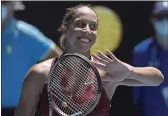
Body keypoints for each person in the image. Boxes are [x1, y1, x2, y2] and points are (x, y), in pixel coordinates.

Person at [14, 4, 164, 116]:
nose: (87, 30)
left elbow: (157, 79)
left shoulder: (106, 72)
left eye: (93, 27)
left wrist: (129, 71)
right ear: (66, 27)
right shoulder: (40, 73)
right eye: (80, 24)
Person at [2, 1, 62, 115]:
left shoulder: (27, 34)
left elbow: (60, 61)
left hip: (19, 110)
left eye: (4, 2)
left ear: (13, 5)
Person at [132, 1, 168, 116]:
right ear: (152, 19)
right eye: (160, 17)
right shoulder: (141, 51)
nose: (165, 21)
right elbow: (137, 96)